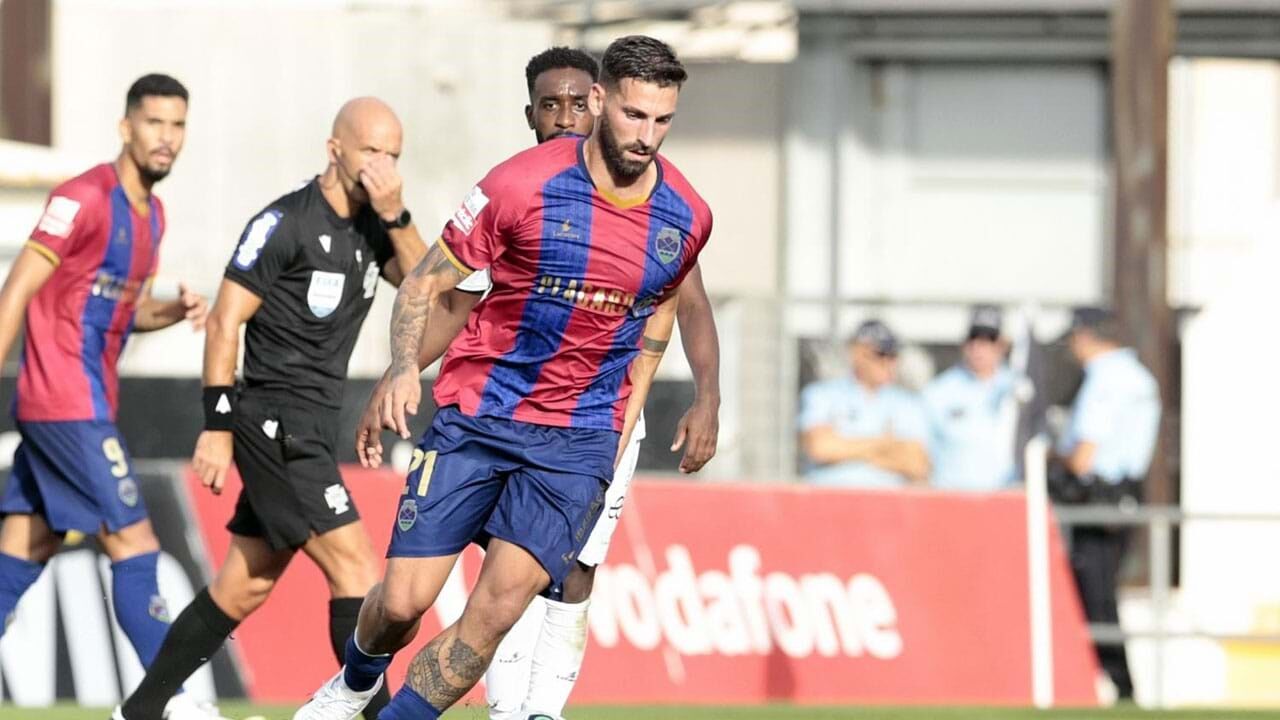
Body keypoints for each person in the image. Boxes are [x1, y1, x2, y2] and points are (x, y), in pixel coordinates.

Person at [294, 35, 711, 720]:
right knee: (401, 603)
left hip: (576, 442)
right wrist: (403, 370)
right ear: (601, 101)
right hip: (480, 417)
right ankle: (354, 682)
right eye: (634, 115)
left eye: (662, 120)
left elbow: (661, 316)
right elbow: (427, 283)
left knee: (493, 615)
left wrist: (633, 428)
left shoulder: (686, 215)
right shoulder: (519, 184)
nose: (646, 136)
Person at [115, 97, 427, 720]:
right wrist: (217, 426)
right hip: (275, 422)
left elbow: (430, 287)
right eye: (371, 151)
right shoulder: (285, 222)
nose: (383, 166)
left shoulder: (377, 226)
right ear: (334, 150)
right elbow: (224, 320)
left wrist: (397, 214)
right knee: (356, 569)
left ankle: (140, 712)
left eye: (393, 155)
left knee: (245, 583)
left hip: (311, 426)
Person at [0, 74, 216, 720]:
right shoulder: (82, 198)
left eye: (177, 125)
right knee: (133, 541)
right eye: (154, 123)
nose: (167, 138)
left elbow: (124, 311)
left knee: (25, 547)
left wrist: (171, 311)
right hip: (65, 403)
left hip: (85, 402)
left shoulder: (153, 216)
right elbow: (18, 288)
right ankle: (170, 703)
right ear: (126, 127)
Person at [1053, 306, 1160, 701]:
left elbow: (1083, 456)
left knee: (1095, 595)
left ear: (1086, 336)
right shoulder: (1137, 375)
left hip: (1099, 498)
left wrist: (1050, 454)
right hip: (1125, 495)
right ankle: (1117, 684)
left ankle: (1118, 684)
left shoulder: (1105, 379)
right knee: (1101, 593)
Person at [799, 319, 930, 488]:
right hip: (832, 495)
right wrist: (886, 445)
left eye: (893, 356)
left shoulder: (907, 403)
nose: (889, 363)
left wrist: (846, 448)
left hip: (885, 499)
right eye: (880, 354)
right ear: (857, 353)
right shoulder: (822, 394)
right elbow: (820, 448)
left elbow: (917, 464)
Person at [923, 305, 1019, 491]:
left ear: (1002, 345)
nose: (978, 347)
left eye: (988, 339)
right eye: (973, 338)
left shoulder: (1018, 388)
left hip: (1004, 496)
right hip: (953, 496)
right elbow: (922, 453)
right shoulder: (938, 391)